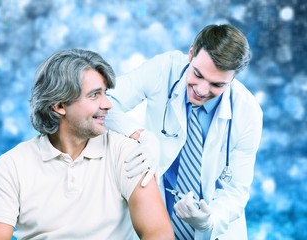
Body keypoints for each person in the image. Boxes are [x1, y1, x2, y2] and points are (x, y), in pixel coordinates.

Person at [0, 49, 174, 240]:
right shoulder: (12, 165)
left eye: (105, 93)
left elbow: (159, 233)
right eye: (95, 95)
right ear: (59, 105)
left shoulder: (126, 153)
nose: (108, 104)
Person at [106, 24, 263, 240]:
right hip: (157, 214)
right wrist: (141, 136)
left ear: (233, 78)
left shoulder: (248, 113)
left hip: (214, 231)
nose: (201, 90)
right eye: (197, 74)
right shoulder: (164, 69)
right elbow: (105, 102)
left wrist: (209, 220)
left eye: (217, 84)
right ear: (191, 53)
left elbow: (236, 191)